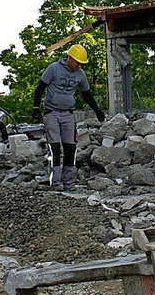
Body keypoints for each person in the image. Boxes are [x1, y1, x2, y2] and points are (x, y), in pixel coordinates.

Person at [32, 44, 105, 189]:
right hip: (51, 112)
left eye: (81, 64)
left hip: (68, 114)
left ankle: (68, 181)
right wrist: (35, 108)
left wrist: (97, 110)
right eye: (77, 62)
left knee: (70, 147)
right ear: (70, 58)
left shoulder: (80, 74)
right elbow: (40, 87)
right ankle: (56, 182)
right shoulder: (54, 68)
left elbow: (87, 94)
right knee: (55, 147)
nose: (79, 66)